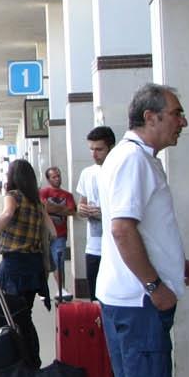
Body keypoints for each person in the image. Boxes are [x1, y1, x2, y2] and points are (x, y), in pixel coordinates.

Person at [100, 83, 189, 377]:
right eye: (176, 113)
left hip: (124, 297)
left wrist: (176, 263)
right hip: (139, 302)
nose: (183, 121)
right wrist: (156, 283)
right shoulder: (134, 161)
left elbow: (141, 229)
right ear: (151, 117)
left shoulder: (132, 159)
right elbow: (122, 229)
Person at [0, 160, 51, 311]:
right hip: (35, 264)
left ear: (13, 177)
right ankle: (28, 336)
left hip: (14, 265)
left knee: (7, 313)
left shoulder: (13, 196)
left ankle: (17, 336)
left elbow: (7, 214)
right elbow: (52, 232)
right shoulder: (37, 201)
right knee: (25, 312)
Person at [75, 126, 115, 301]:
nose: (94, 154)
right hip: (93, 247)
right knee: (95, 298)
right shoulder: (87, 173)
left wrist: (104, 213)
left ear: (111, 147)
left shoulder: (118, 170)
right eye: (91, 149)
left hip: (115, 247)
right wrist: (81, 210)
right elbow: (80, 205)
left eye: (99, 149)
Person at [39, 166, 77, 302]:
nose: (57, 178)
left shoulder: (68, 195)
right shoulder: (43, 192)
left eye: (59, 175)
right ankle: (43, 290)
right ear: (48, 179)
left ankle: (61, 288)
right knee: (44, 262)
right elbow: (44, 207)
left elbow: (72, 211)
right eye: (54, 176)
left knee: (58, 261)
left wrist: (53, 209)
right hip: (44, 234)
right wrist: (62, 208)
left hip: (60, 234)